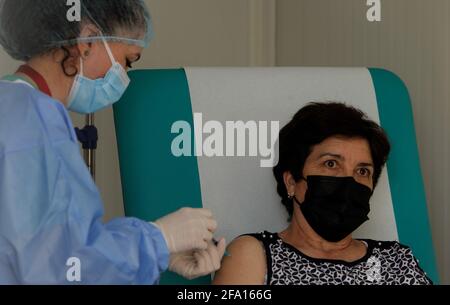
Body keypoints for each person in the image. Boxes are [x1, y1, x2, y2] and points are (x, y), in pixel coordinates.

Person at [0, 0, 225, 284]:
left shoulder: (14, 108)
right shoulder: (34, 123)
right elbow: (59, 270)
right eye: (128, 60)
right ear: (88, 40)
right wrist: (157, 239)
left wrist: (158, 258)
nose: (124, 76)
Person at [213, 102, 432, 285]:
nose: (349, 181)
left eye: (362, 171)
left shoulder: (396, 260)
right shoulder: (255, 255)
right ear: (291, 181)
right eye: (331, 163)